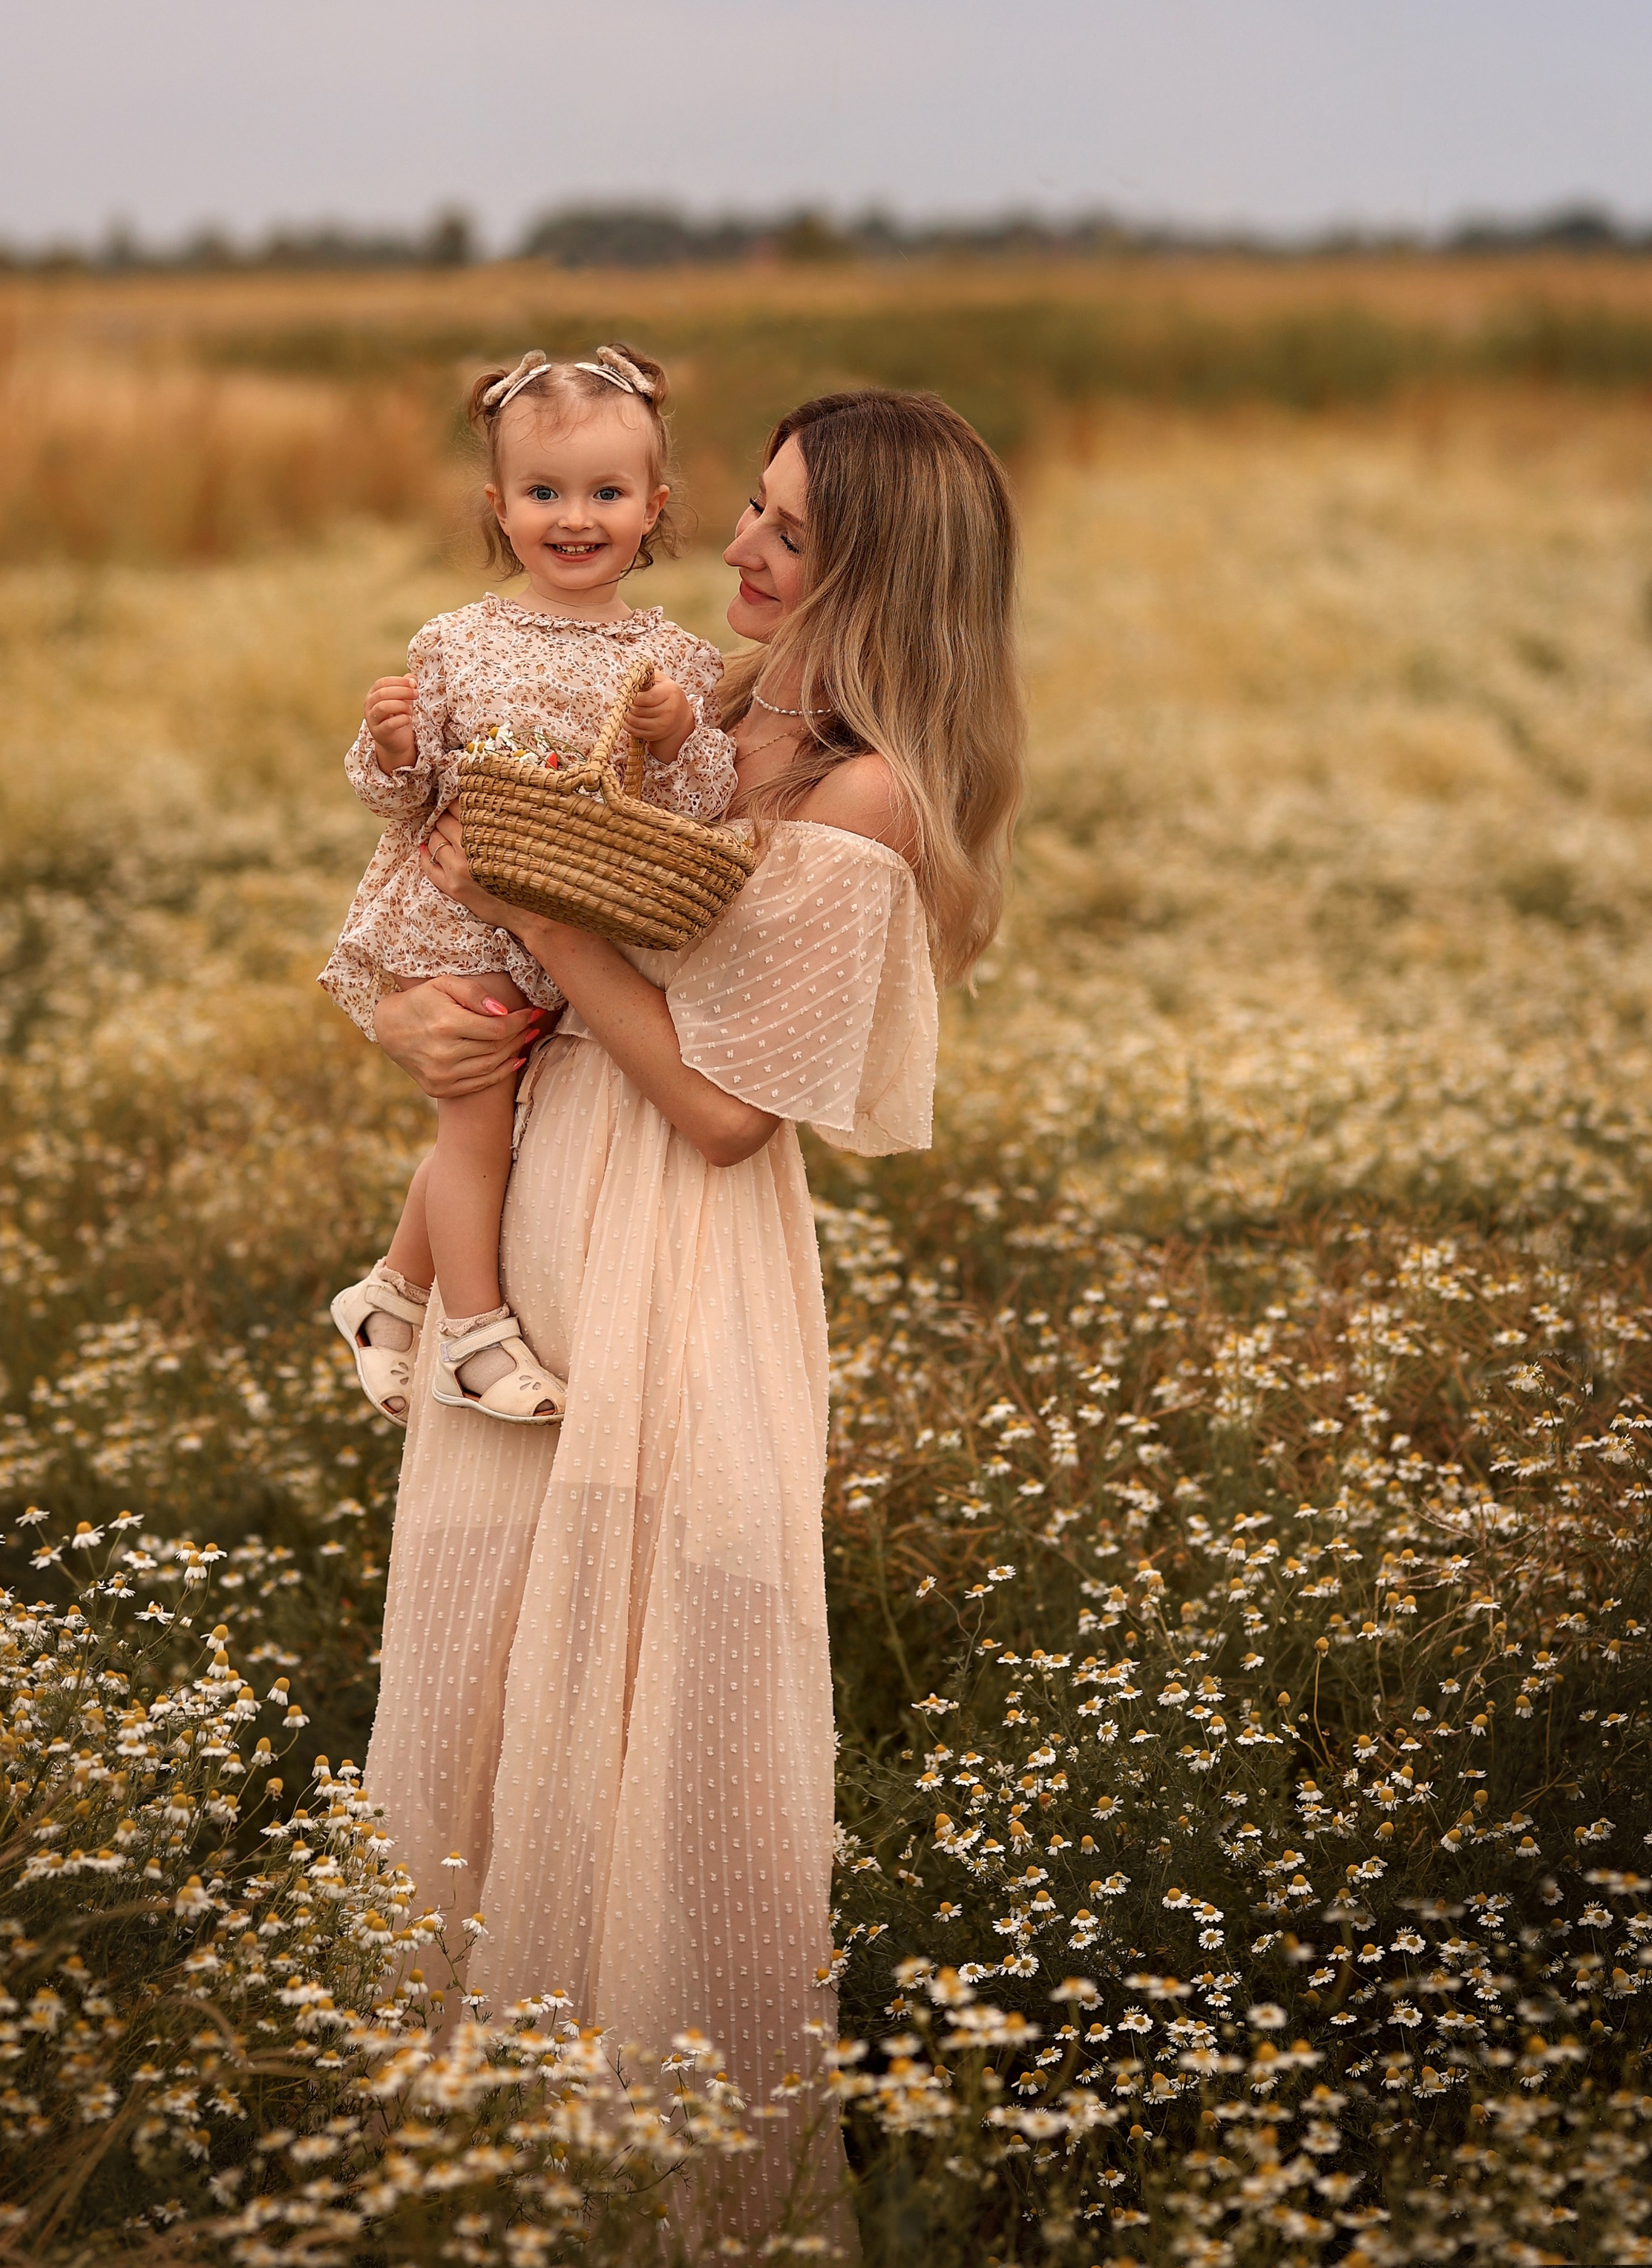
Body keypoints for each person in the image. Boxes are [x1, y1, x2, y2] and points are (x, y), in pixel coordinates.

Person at [360, 388, 1023, 2244]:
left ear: (877, 574)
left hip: (686, 1249)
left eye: (789, 532)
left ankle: (674, 2183)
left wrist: (552, 932)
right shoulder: (713, 714)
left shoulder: (867, 788)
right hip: (551, 1199)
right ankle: (468, 2145)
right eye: (745, 506)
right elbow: (468, 913)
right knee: (497, 1638)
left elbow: (729, 1111)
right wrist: (415, 1014)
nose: (735, 546)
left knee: (678, 1675)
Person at [318, 345, 736, 1426]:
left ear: (655, 507)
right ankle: (474, 1332)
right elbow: (402, 799)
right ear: (500, 508)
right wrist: (394, 743)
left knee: (491, 1126)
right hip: (458, 915)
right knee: (476, 1124)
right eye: (544, 493)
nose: (575, 517)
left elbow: (694, 805)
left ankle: (387, 1296)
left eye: (606, 492)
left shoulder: (673, 658)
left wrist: (680, 731)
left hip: (567, 923)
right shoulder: (458, 639)